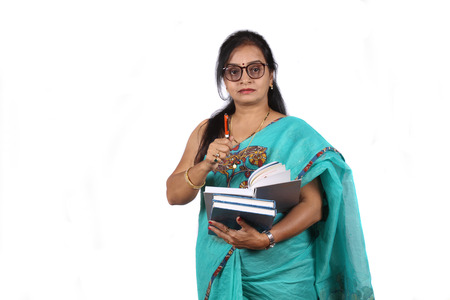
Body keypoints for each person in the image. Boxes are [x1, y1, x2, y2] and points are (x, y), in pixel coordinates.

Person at [166, 30, 374, 300]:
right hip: (223, 268)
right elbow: (174, 195)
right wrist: (205, 164)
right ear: (224, 80)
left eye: (255, 69)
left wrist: (266, 239)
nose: (245, 79)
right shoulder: (207, 131)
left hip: (286, 276)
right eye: (234, 72)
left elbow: (313, 206)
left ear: (271, 75)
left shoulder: (294, 133)